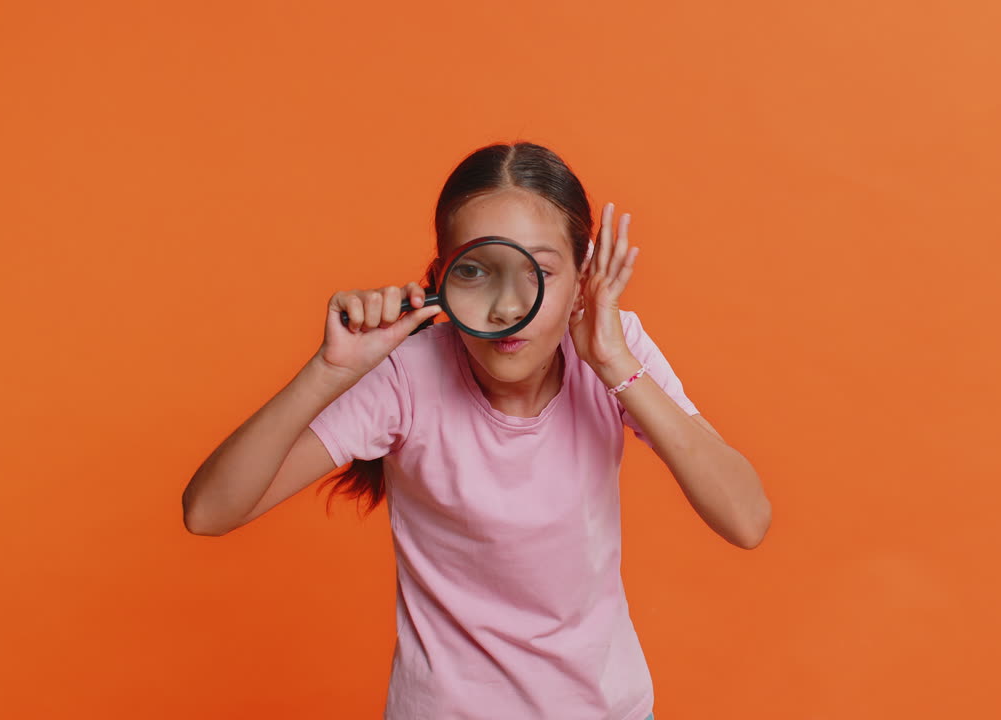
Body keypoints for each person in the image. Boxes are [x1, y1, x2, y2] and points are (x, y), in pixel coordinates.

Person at [182, 142, 770, 719]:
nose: (507, 308)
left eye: (539, 272)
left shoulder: (613, 348)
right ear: (441, 279)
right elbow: (208, 512)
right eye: (474, 271)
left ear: (582, 279)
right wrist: (328, 373)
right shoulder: (407, 375)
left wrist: (615, 363)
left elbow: (746, 519)